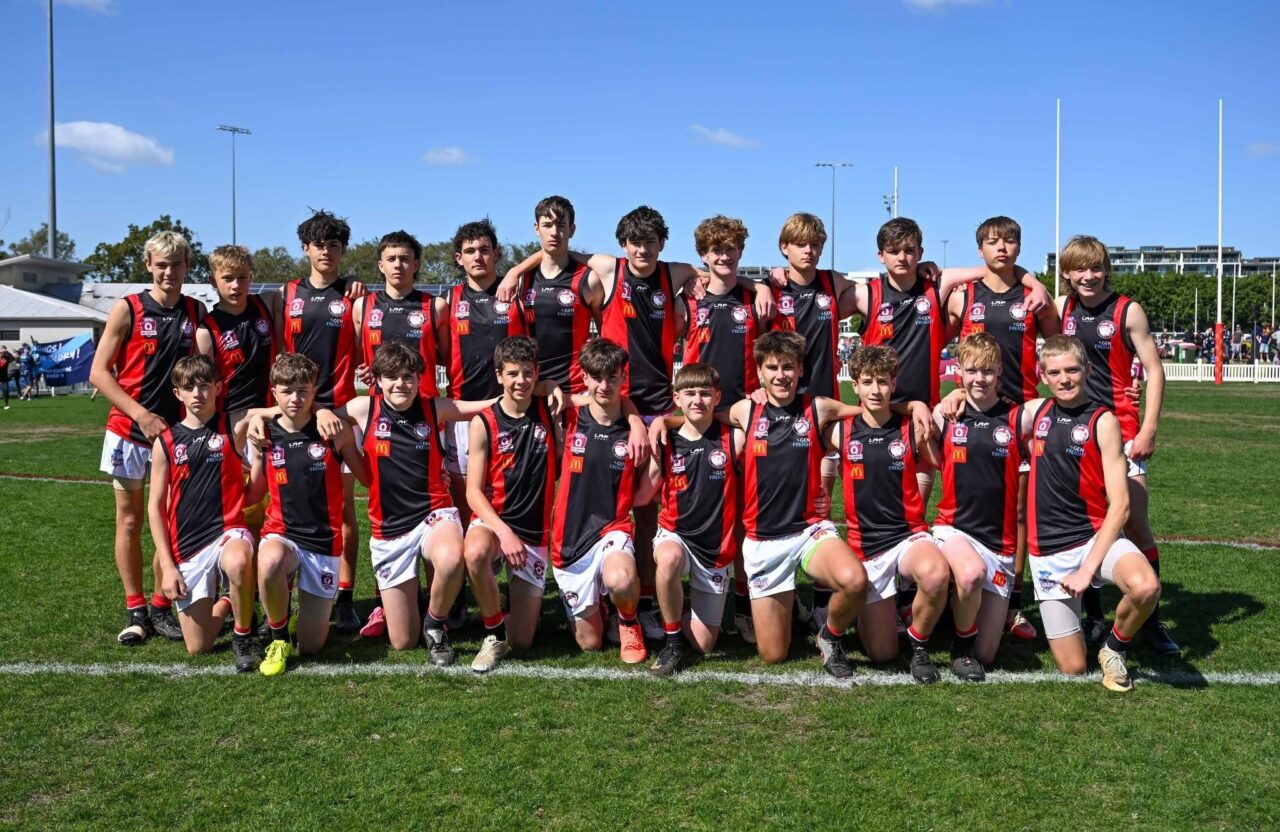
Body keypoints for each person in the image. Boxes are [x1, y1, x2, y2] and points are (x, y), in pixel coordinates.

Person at [501, 205, 770, 640]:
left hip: (661, 409)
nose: (642, 250)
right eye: (634, 242)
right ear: (623, 244)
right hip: (611, 405)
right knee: (593, 499)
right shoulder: (610, 269)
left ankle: (643, 601)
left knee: (648, 510)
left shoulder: (675, 273)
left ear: (661, 244)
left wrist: (758, 284)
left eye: (649, 242)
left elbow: (721, 273)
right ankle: (598, 593)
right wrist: (516, 269)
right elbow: (556, 252)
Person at [303, 342, 502, 661]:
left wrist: (535, 391)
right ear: (378, 380)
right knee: (403, 641)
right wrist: (321, 410)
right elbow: (302, 412)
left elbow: (484, 405)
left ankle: (435, 623)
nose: (401, 384)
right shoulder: (363, 408)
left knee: (452, 558)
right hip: (388, 529)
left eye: (409, 377)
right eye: (392, 377)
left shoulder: (434, 407)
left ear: (420, 379)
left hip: (434, 515)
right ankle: (418, 607)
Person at [725, 330, 871, 677]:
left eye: (788, 367)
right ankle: (792, 608)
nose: (781, 375)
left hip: (808, 531)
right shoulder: (745, 410)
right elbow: (697, 418)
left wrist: (914, 406)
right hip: (763, 541)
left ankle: (829, 636)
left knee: (855, 581)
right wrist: (655, 423)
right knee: (773, 655)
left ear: (800, 369)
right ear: (759, 371)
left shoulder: (818, 407)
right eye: (772, 367)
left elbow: (871, 409)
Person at [1022, 335, 1162, 692]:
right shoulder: (1034, 411)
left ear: (1087, 369)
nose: (1064, 379)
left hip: (1094, 538)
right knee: (1073, 667)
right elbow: (985, 408)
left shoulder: (1103, 421)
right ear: (1043, 376)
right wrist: (956, 396)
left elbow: (1121, 505)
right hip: (1048, 551)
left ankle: (1114, 648)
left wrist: (1087, 569)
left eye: (1072, 370)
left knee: (1146, 587)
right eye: (1055, 373)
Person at [1057, 236, 1175, 655]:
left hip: (1122, 431)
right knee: (1086, 523)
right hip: (1075, 432)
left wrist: (1149, 428)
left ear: (1106, 269)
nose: (1089, 276)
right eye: (1079, 269)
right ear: (1067, 273)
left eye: (1096, 268)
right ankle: (1094, 618)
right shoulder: (1061, 307)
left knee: (1136, 522)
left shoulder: (1128, 310)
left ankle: (1152, 622)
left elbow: (1154, 370)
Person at [944, 216, 1059, 642]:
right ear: (980, 250)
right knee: (964, 501)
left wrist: (1036, 283)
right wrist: (955, 392)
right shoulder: (963, 296)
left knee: (1019, 511)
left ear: (1019, 247)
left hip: (1020, 415)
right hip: (970, 413)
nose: (1002, 248)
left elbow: (1059, 348)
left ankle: (1012, 602)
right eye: (992, 242)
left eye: (1009, 241)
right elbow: (939, 341)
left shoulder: (1035, 299)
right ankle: (947, 591)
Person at [89, 230, 205, 645]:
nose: (169, 272)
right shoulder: (128, 308)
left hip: (173, 438)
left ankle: (160, 607)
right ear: (148, 266)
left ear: (187, 267)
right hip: (128, 432)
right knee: (130, 520)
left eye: (177, 265)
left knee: (170, 524)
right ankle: (135, 608)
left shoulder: (196, 311)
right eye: (161, 265)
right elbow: (99, 372)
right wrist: (140, 414)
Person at [834, 345, 963, 683]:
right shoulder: (839, 431)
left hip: (908, 536)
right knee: (882, 654)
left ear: (894, 384)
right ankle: (868, 611)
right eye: (867, 382)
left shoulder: (912, 428)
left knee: (936, 574)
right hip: (866, 546)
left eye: (882, 381)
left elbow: (945, 463)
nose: (875, 390)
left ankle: (919, 644)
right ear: (855, 385)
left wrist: (940, 400)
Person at [351, 230, 449, 638]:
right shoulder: (363, 306)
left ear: (417, 264)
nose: (398, 265)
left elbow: (447, 358)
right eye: (391, 258)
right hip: (381, 419)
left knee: (437, 508)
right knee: (386, 505)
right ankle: (384, 601)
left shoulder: (434, 306)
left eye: (405, 258)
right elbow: (358, 357)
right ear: (380, 264)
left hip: (427, 419)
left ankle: (440, 604)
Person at [249, 353, 369, 677]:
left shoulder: (334, 431)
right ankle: (278, 637)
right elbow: (255, 491)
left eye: (303, 391)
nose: (295, 398)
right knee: (270, 560)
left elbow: (367, 478)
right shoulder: (264, 433)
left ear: (314, 391)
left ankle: (295, 609)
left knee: (312, 646)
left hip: (323, 542)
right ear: (274, 392)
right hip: (282, 533)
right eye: (287, 391)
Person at [280, 210, 366, 635]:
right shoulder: (286, 293)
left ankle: (344, 597)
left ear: (343, 250)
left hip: (341, 412)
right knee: (291, 505)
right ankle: (282, 594)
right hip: (296, 414)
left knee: (343, 508)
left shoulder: (354, 295)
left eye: (334, 244)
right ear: (306, 249)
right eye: (319, 244)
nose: (326, 251)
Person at [147, 355, 263, 671]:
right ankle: (229, 601)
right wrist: (167, 566)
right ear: (177, 394)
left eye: (204, 386)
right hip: (188, 544)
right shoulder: (165, 442)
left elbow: (266, 410)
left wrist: (320, 411)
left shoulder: (231, 427)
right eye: (189, 388)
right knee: (198, 647)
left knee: (238, 561)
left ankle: (243, 636)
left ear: (218, 388)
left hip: (228, 531)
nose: (197, 393)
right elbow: (155, 507)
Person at [550, 338, 659, 664]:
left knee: (621, 580)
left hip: (613, 530)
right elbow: (532, 391)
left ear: (623, 376)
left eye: (612, 377)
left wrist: (637, 420)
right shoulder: (567, 418)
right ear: (584, 378)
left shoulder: (637, 432)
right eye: (596, 377)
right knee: (590, 643)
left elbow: (648, 487)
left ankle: (628, 621)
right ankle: (601, 605)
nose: (604, 385)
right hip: (569, 540)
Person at [679, 215, 762, 645]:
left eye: (731, 248)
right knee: (691, 510)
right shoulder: (688, 301)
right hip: (698, 420)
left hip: (743, 421)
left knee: (747, 517)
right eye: (716, 250)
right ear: (703, 255)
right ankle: (674, 598)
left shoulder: (755, 298)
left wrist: (760, 286)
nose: (724, 256)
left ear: (741, 251)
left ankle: (745, 604)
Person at [463, 336, 561, 672]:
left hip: (533, 531)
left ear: (537, 373)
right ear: (499, 375)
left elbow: (600, 397)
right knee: (475, 552)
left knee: (523, 641)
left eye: (528, 373)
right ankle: (493, 632)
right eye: (513, 373)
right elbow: (473, 492)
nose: (521, 381)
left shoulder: (550, 409)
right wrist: (504, 533)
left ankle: (506, 607)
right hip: (495, 523)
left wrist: (634, 419)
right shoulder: (483, 422)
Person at [930, 333, 1025, 669]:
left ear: (999, 370)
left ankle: (955, 614)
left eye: (987, 371)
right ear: (959, 371)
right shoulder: (944, 415)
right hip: (954, 529)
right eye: (971, 371)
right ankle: (961, 646)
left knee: (988, 655)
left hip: (1000, 543)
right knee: (970, 575)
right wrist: (950, 397)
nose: (979, 379)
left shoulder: (1019, 418)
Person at [642, 362, 743, 675]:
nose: (697, 400)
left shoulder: (734, 439)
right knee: (668, 558)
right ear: (677, 398)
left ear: (717, 397)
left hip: (715, 548)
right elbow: (644, 494)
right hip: (676, 535)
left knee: (704, 644)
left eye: (705, 393)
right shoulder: (665, 442)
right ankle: (672, 641)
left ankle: (673, 606)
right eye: (689, 393)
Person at [440, 220, 528, 522]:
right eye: (470, 251)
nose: (478, 256)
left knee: (514, 500)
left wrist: (516, 271)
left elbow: (549, 253)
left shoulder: (516, 294)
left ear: (497, 253)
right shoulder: (448, 300)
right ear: (459, 258)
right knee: (466, 503)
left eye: (484, 249)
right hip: (462, 413)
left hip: (511, 413)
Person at [196, 245, 276, 541]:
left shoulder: (266, 304)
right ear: (213, 280)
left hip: (272, 418)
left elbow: (309, 288)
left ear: (251, 277)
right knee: (242, 507)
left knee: (275, 504)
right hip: (234, 425)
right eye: (228, 278)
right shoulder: (207, 330)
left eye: (242, 277)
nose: (236, 285)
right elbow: (203, 390)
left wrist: (349, 282)